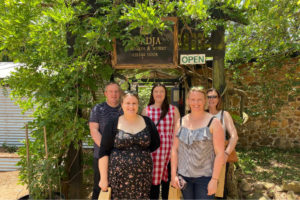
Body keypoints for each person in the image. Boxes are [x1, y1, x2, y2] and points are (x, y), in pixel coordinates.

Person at [98, 91, 160, 199]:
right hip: (119, 177)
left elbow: (155, 144)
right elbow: (104, 152)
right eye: (128, 103)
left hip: (142, 177)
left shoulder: (148, 122)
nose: (131, 106)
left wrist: (140, 157)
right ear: (122, 104)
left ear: (138, 104)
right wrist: (103, 178)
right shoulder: (113, 123)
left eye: (134, 103)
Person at [171, 86, 225, 199]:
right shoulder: (180, 122)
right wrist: (173, 175)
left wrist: (215, 180)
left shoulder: (214, 122)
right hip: (184, 177)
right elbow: (175, 150)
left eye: (199, 99)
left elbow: (220, 153)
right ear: (188, 101)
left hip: (205, 178)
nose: (196, 103)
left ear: (205, 101)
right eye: (193, 99)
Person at [142, 83, 180, 200]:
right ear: (152, 94)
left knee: (168, 181)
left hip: (170, 150)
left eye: (161, 91)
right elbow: (144, 133)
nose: (159, 94)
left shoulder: (173, 110)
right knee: (153, 182)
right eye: (156, 91)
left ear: (165, 94)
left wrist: (176, 149)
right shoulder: (146, 110)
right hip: (153, 150)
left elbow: (177, 131)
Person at [89, 82, 123, 200]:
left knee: (118, 188)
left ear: (120, 94)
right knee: (99, 187)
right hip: (101, 155)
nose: (114, 94)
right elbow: (94, 130)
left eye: (116, 91)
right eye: (111, 91)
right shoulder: (98, 109)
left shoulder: (124, 109)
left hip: (120, 156)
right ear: (105, 93)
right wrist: (106, 147)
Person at [207, 88, 239, 198]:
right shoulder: (200, 114)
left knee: (219, 192)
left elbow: (234, 136)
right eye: (209, 97)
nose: (211, 99)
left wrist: (226, 153)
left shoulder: (224, 115)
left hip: (219, 159)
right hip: (202, 160)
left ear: (218, 99)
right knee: (203, 190)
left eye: (214, 96)